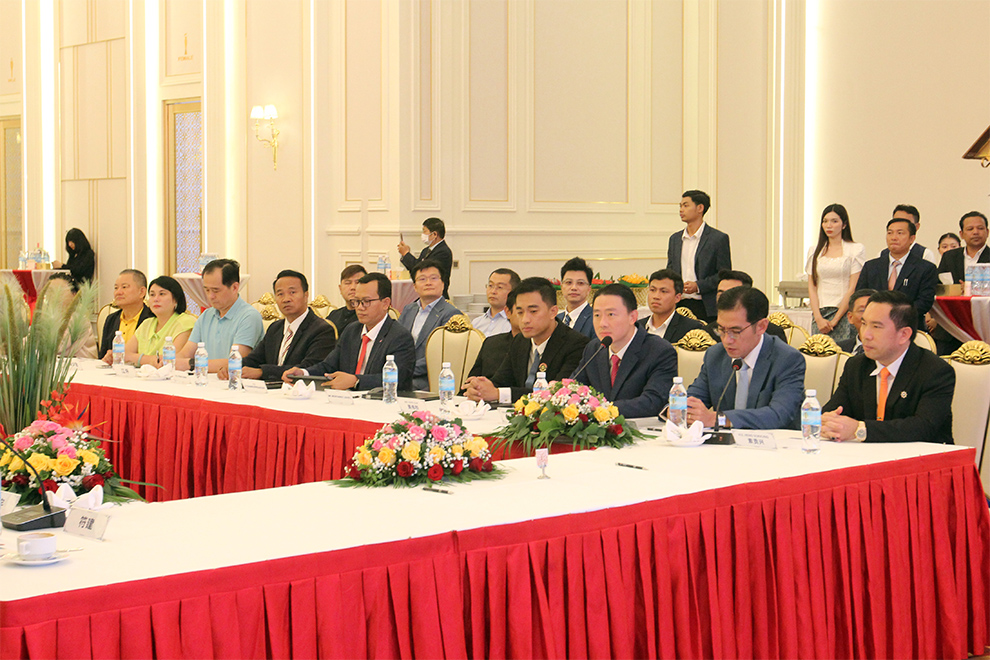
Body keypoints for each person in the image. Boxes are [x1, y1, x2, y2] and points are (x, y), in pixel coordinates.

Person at [822, 291, 954, 444]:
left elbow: (923, 427)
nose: (866, 335)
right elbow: (834, 410)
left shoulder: (935, 371)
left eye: (877, 326)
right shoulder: (856, 366)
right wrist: (828, 421)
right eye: (864, 324)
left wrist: (860, 429)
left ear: (904, 334)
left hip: (922, 461)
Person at [686, 286, 805, 430]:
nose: (726, 340)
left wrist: (718, 419)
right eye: (722, 330)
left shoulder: (787, 359)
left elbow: (779, 415)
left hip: (773, 446)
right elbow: (693, 399)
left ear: (761, 326)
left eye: (735, 332)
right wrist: (679, 409)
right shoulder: (715, 355)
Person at [464, 277, 590, 403]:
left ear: (553, 312)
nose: (525, 319)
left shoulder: (576, 344)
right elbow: (501, 381)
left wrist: (498, 394)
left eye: (533, 311)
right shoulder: (520, 340)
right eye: (520, 312)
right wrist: (479, 388)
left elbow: (557, 393)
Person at [283, 272, 415, 391]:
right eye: (356, 302)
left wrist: (356, 381)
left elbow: (399, 379)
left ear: (385, 303)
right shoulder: (352, 330)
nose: (359, 308)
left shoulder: (399, 336)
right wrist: (303, 373)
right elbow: (328, 366)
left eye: (366, 302)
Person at [572, 284, 677, 418]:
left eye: (611, 314)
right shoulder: (594, 348)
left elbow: (652, 402)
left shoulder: (659, 351)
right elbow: (575, 388)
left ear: (632, 317)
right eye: (597, 315)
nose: (602, 323)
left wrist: (600, 410)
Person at [226, 270, 337, 381]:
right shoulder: (275, 328)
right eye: (280, 294)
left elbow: (309, 368)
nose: (286, 299)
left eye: (292, 292)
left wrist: (262, 372)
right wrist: (233, 366)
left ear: (306, 295)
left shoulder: (322, 329)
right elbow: (255, 358)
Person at [175, 259, 264, 372]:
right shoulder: (206, 315)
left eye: (216, 290)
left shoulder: (249, 316)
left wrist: (191, 364)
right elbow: (186, 352)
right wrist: (172, 362)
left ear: (234, 287)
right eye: (207, 290)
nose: (210, 296)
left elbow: (236, 361)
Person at [856, 218, 938, 330]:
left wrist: (895, 315)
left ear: (912, 238)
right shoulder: (871, 266)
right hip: (874, 326)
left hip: (908, 327)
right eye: (890, 233)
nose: (894, 237)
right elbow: (861, 295)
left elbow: (924, 302)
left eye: (900, 233)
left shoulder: (925, 268)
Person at [666, 190, 731, 321]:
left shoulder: (718, 239)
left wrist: (698, 286)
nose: (681, 210)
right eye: (680, 206)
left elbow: (724, 275)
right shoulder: (675, 239)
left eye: (686, 205)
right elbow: (670, 271)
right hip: (679, 304)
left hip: (706, 306)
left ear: (700, 208)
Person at [805, 203, 866, 343]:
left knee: (843, 353)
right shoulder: (814, 251)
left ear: (844, 225)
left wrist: (836, 319)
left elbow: (852, 287)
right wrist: (818, 318)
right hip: (820, 313)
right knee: (819, 352)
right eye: (825, 221)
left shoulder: (855, 249)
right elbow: (812, 287)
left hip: (844, 312)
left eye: (834, 221)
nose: (829, 225)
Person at [397, 260, 462, 390]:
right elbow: (396, 343)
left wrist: (405, 370)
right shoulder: (409, 310)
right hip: (403, 374)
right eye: (422, 279)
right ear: (415, 286)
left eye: (433, 278)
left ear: (443, 284)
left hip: (428, 379)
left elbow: (440, 356)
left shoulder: (451, 314)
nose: (428, 283)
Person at [106, 276, 197, 366]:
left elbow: (171, 360)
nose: (156, 299)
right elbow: (124, 354)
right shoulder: (147, 323)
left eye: (162, 294)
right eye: (152, 295)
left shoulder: (186, 322)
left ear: (176, 300)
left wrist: (136, 358)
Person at [704, 270, 787, 342]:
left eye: (731, 293)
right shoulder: (707, 332)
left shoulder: (772, 333)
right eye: (720, 293)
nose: (725, 298)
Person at [636, 268, 707, 343]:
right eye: (652, 290)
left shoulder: (691, 329)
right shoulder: (637, 327)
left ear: (677, 298)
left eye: (663, 291)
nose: (656, 296)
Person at [465, 289, 520, 382]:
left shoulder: (538, 346)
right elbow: (471, 382)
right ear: (508, 312)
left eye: (533, 311)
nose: (527, 318)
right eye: (521, 312)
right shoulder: (491, 343)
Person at [99, 269, 155, 359]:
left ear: (142, 292)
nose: (118, 292)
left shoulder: (152, 319)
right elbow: (102, 356)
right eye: (116, 288)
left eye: (124, 287)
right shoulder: (111, 319)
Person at [397, 217, 453, 298]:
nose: (423, 234)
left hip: (436, 296)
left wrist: (406, 254)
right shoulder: (426, 250)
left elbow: (422, 270)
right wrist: (406, 254)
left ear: (434, 234)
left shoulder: (443, 252)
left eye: (425, 231)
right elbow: (416, 269)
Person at [937, 211, 989, 284]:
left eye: (980, 228)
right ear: (961, 234)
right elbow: (939, 284)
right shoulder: (949, 257)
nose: (975, 232)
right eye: (970, 229)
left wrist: (970, 288)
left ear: (987, 232)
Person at [556, 257, 596, 339]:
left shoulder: (595, 319)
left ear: (589, 289)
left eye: (580, 283)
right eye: (569, 282)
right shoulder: (555, 320)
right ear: (562, 286)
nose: (574, 287)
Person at [472, 268, 520, 337]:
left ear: (513, 292)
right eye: (490, 286)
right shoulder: (476, 323)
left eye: (500, 287)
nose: (493, 291)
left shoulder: (516, 325)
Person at [327, 265, 367, 336]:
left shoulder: (369, 316)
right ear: (340, 288)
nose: (353, 287)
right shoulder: (334, 315)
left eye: (357, 282)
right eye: (348, 283)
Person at [836, 289, 875, 354]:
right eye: (862, 310)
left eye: (872, 309)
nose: (867, 315)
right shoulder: (838, 349)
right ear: (850, 317)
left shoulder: (890, 350)